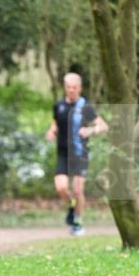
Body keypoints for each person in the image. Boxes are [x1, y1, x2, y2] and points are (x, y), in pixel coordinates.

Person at [46, 72, 108, 236]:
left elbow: (103, 126)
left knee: (78, 190)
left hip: (80, 153)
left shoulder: (85, 107)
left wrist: (90, 130)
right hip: (63, 152)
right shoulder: (58, 105)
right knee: (61, 188)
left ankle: (78, 222)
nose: (71, 90)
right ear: (65, 88)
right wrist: (52, 131)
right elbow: (55, 122)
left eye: (74, 87)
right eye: (68, 87)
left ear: (79, 88)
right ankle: (73, 206)